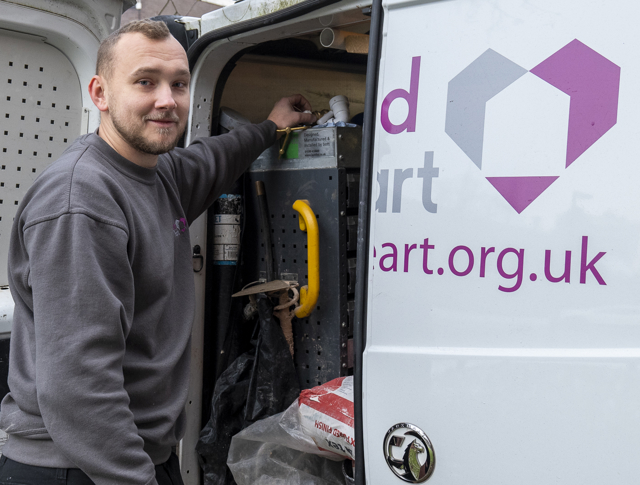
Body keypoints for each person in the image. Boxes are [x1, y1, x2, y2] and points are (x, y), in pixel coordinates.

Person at [0, 19, 315, 485]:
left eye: (179, 84)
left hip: (130, 455)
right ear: (100, 93)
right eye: (145, 81)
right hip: (78, 466)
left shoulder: (156, 174)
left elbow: (213, 158)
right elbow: (78, 387)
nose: (167, 100)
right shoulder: (82, 202)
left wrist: (270, 126)